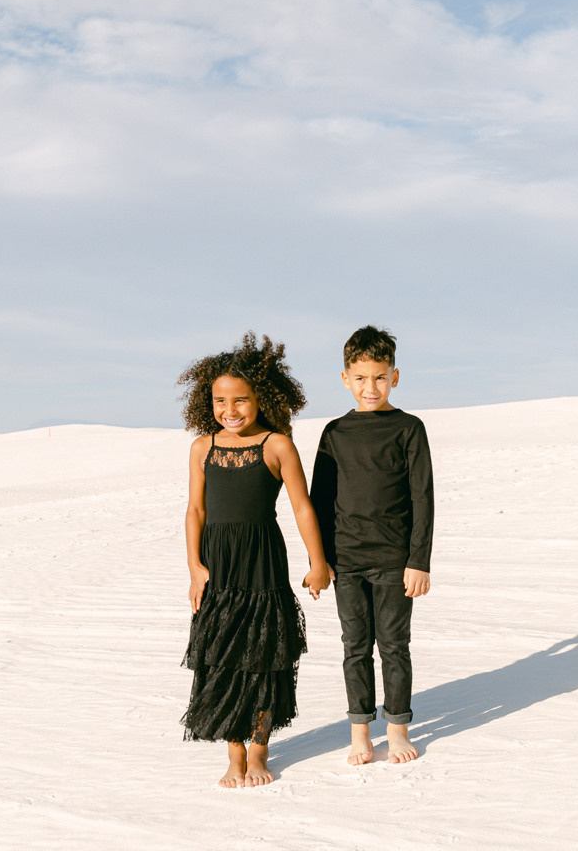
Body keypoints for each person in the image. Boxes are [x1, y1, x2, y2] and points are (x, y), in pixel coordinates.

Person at [180, 332, 332, 788]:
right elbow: (195, 510)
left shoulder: (277, 444)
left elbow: (302, 507)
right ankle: (234, 754)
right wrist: (195, 568)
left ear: (261, 398)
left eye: (241, 400)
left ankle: (260, 750)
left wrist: (318, 563)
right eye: (220, 401)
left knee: (265, 655)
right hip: (218, 567)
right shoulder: (202, 447)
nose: (230, 410)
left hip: (263, 562)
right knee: (222, 658)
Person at [310, 324, 434, 766]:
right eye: (361, 378)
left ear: (394, 377)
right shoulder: (335, 433)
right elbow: (319, 502)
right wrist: (320, 561)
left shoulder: (409, 428)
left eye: (380, 377)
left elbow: (422, 498)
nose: (371, 387)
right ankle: (360, 732)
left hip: (395, 560)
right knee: (355, 647)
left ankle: (397, 729)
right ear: (345, 379)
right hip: (345, 561)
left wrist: (419, 561)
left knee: (394, 646)